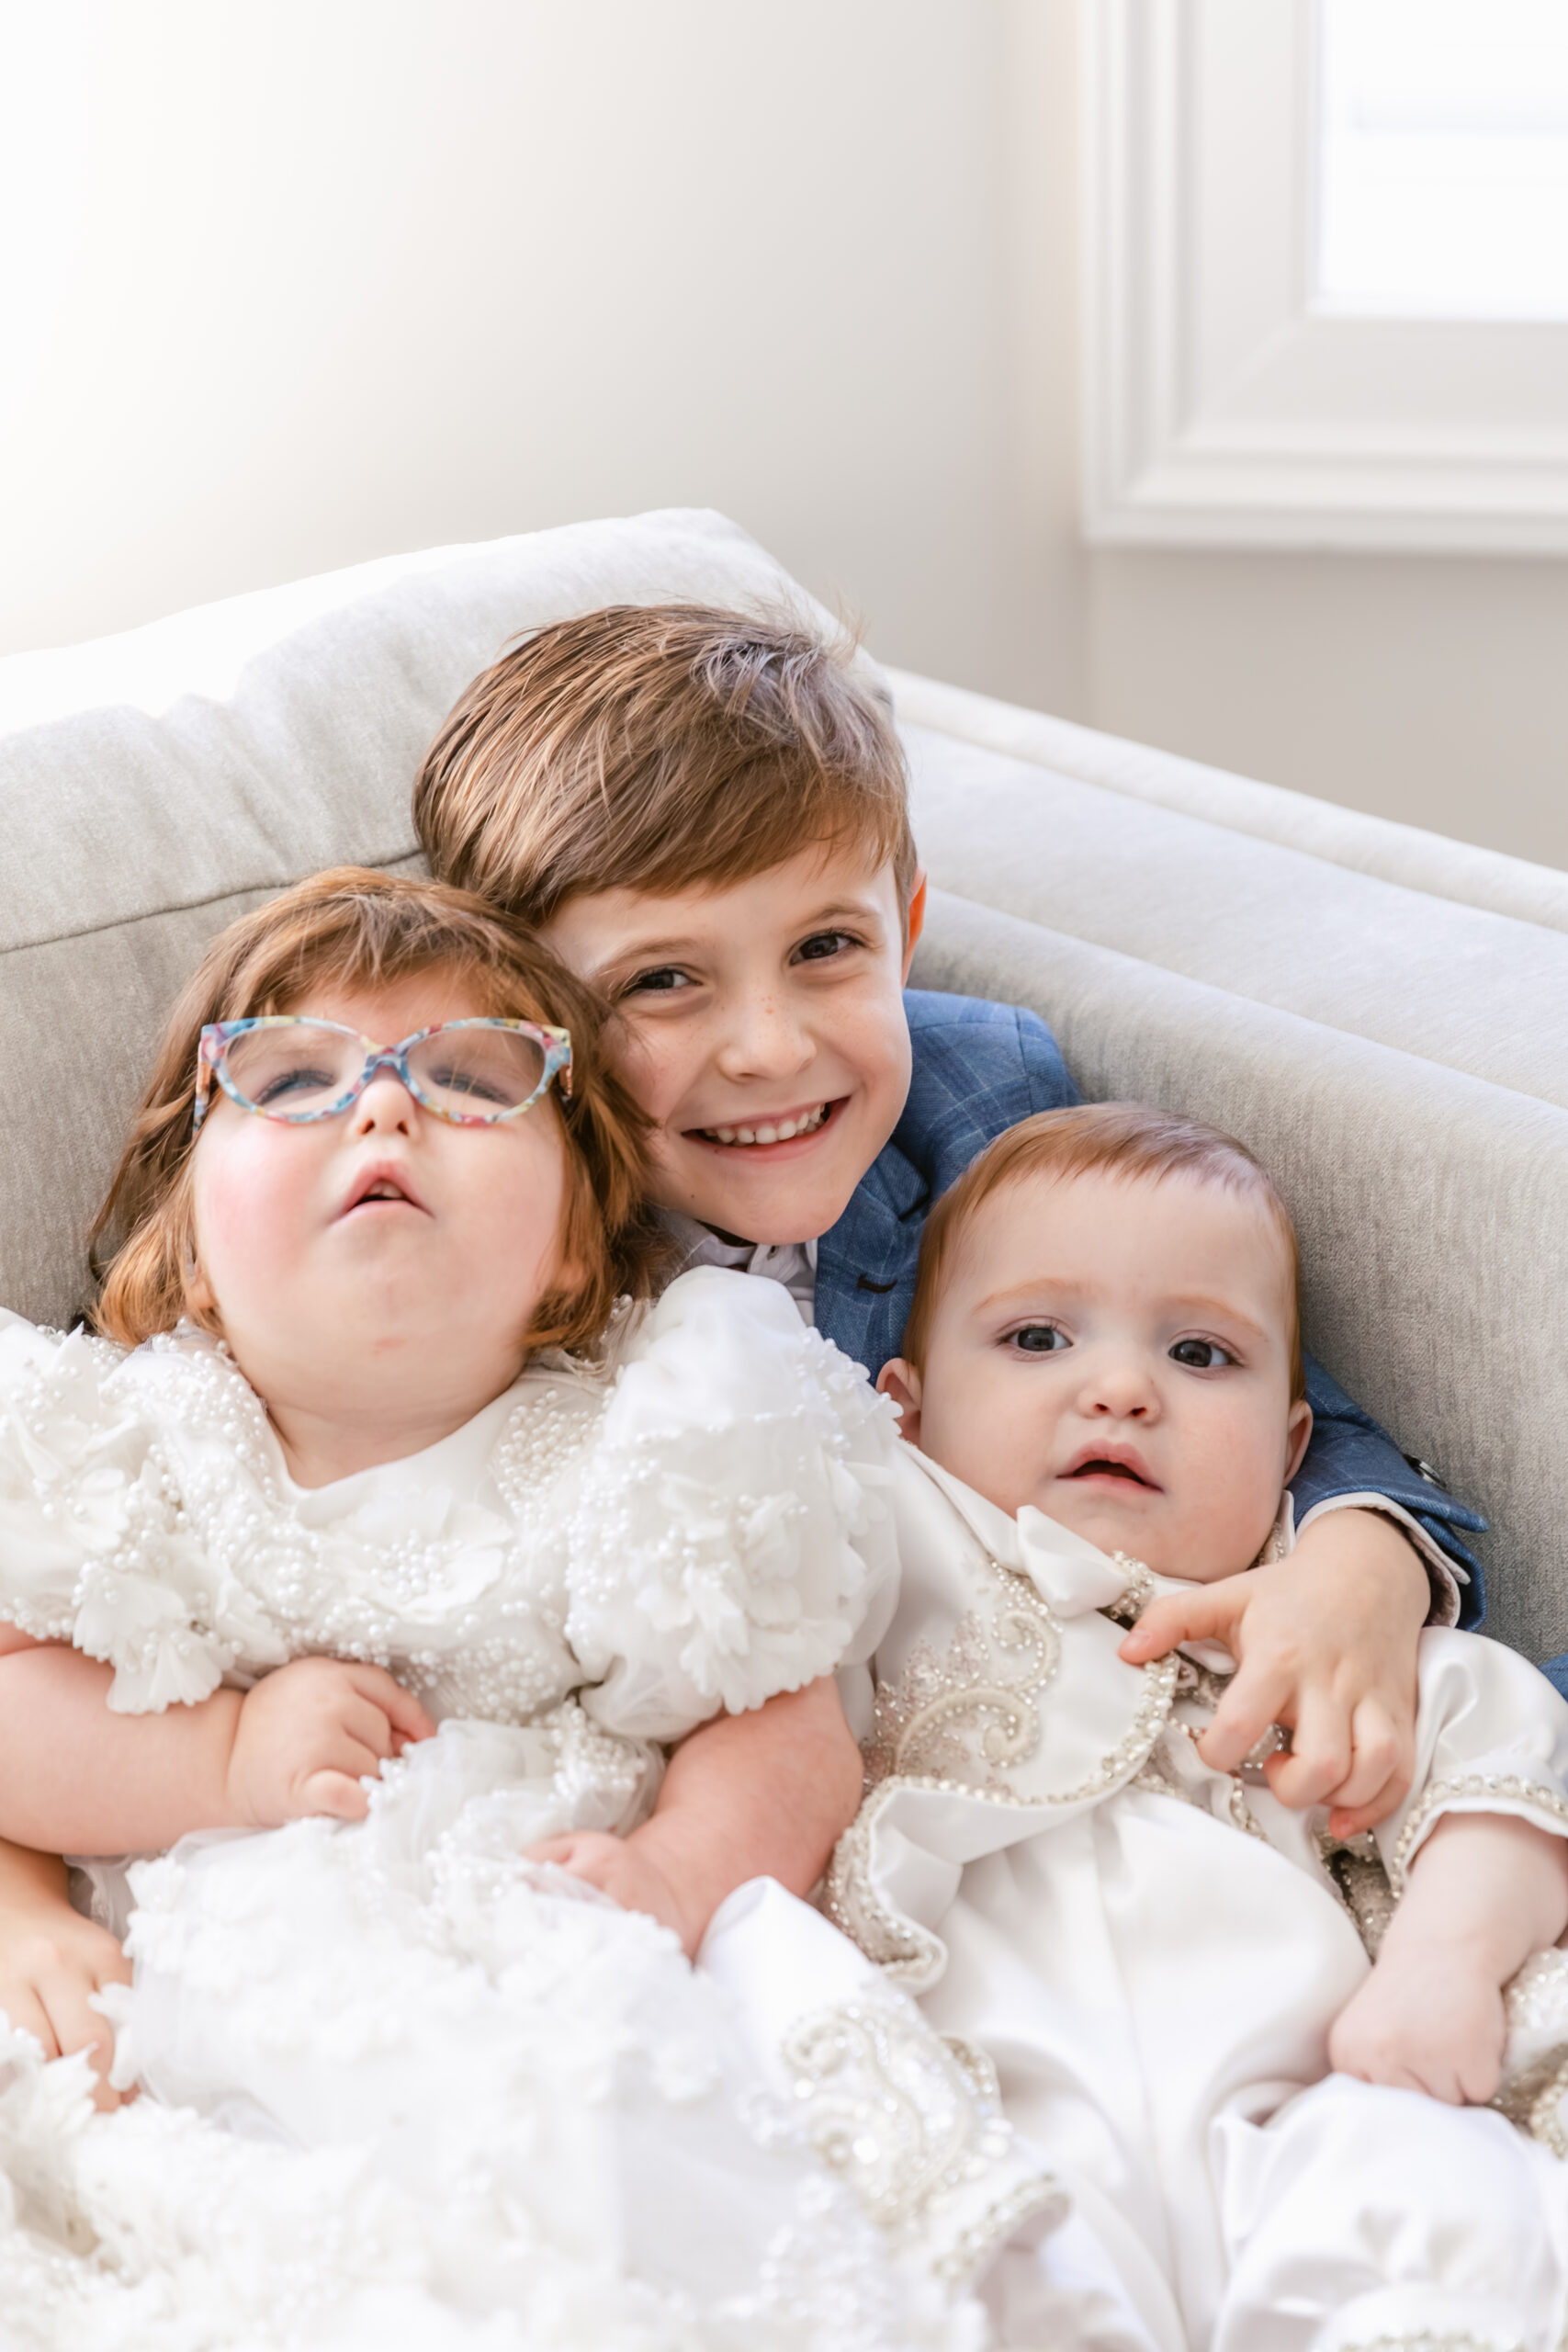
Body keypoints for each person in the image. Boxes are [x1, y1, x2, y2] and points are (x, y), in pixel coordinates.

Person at [0, 868, 1046, 2349]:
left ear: (573, 1244)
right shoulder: (118, 1452)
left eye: (471, 1079)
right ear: (185, 1240)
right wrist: (198, 1776)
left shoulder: (646, 1443)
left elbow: (787, 1725)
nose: (383, 1111)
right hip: (196, 2004)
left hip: (553, 1960)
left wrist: (679, 1876)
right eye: (293, 1077)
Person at [829, 1102, 1568, 2352]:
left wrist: (1439, 1966)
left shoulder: (1307, 1631)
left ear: (1293, 1451)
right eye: (1038, 1336)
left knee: (1443, 2201)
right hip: (985, 2106)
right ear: (901, 1408)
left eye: (1201, 1357)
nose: (1120, 1388)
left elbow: (1505, 1764)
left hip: (1303, 2102)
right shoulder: (883, 1537)